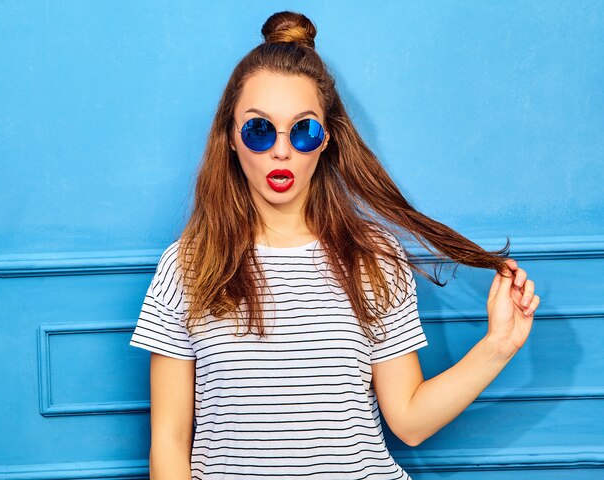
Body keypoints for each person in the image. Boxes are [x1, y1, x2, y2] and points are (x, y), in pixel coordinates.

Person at [129, 10, 540, 480]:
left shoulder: (375, 259)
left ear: (325, 140)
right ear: (230, 138)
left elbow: (408, 420)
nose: (281, 151)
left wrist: (499, 345)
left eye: (302, 130)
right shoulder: (188, 264)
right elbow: (168, 443)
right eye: (259, 130)